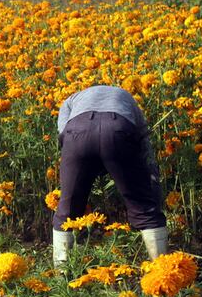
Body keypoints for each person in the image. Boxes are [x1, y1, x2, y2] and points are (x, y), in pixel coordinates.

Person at [52, 85, 168, 264]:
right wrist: (151, 179)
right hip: (118, 128)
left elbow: (63, 135)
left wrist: (83, 167)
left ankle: (62, 274)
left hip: (77, 132)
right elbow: (142, 139)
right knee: (143, 206)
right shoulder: (127, 96)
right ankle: (161, 268)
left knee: (67, 209)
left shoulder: (71, 100)